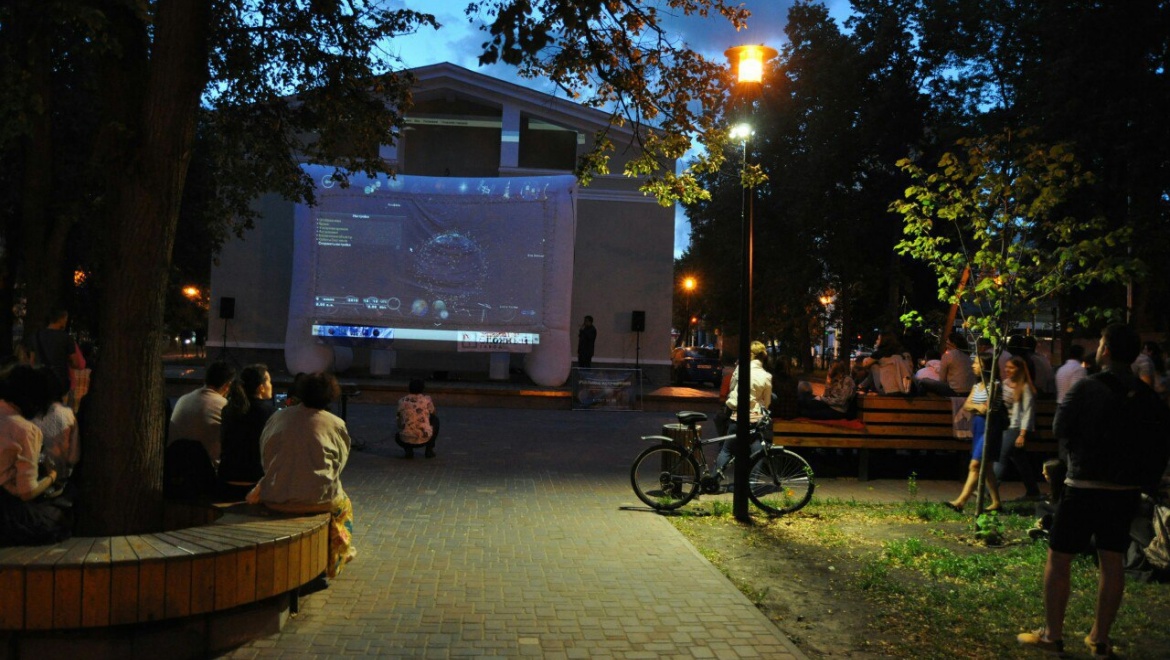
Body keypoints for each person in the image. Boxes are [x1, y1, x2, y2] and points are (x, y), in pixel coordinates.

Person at [1017, 324, 1151, 658]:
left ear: (1104, 350)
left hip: (1083, 484)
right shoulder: (1147, 395)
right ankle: (1099, 638)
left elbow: (1060, 428)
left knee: (1060, 557)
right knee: (1113, 560)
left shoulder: (1086, 387)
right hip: (1125, 488)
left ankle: (1052, 634)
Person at [248, 371, 356, 578]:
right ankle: (336, 556)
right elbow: (339, 465)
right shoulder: (335, 423)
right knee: (345, 507)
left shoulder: (278, 416)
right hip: (319, 499)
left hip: (275, 496)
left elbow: (265, 454)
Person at [0, 364, 70, 546]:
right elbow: (27, 491)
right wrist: (52, 477)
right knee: (58, 516)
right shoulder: (25, 430)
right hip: (6, 513)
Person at [945, 354, 1002, 513]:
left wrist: (975, 406)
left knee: (975, 464)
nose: (973, 366)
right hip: (978, 425)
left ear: (986, 366)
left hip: (990, 427)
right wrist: (977, 407)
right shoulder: (977, 386)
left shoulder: (995, 385)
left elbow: (987, 407)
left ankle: (960, 501)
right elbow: (968, 405)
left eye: (977, 363)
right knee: (987, 466)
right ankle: (996, 502)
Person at [217, 364, 276, 501]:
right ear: (261, 387)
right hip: (255, 484)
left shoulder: (229, 409)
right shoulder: (270, 413)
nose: (271, 385)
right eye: (269, 381)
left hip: (225, 479)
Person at [714, 341, 772, 477]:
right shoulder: (766, 376)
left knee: (726, 449)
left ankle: (713, 480)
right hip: (754, 416)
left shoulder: (740, 368)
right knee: (757, 450)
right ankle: (752, 483)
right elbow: (767, 402)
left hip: (734, 412)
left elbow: (732, 388)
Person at [168, 360, 236, 466]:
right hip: (205, 471)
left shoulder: (183, 399)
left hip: (173, 465)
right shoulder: (224, 406)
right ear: (227, 385)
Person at [994, 355, 1043, 501]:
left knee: (1001, 456)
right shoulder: (1005, 384)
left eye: (1011, 368)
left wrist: (1022, 434)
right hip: (1006, 425)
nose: (1007, 370)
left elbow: (1028, 412)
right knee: (1020, 460)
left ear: (1020, 370)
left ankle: (988, 490)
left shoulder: (1025, 387)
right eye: (1006, 367)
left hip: (1016, 428)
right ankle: (1033, 492)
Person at [31, 366, 79, 498]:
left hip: (33, 484)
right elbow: (73, 457)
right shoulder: (68, 414)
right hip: (60, 484)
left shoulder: (28, 417)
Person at [25, 307, 84, 405]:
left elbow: (32, 362)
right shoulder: (66, 338)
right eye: (65, 319)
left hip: (41, 382)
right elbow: (76, 363)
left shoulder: (35, 336)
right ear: (61, 319)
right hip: (60, 382)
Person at [395, 379, 439, 459]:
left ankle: (408, 450)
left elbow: (399, 422)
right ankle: (429, 450)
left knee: (397, 435)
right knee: (435, 420)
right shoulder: (426, 400)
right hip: (424, 438)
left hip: (405, 439)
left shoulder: (401, 401)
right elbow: (433, 412)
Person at [936, 332, 977, 397]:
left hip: (955, 391)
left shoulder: (948, 355)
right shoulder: (967, 357)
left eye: (947, 340)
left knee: (924, 381)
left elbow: (942, 380)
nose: (946, 342)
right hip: (969, 392)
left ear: (953, 343)